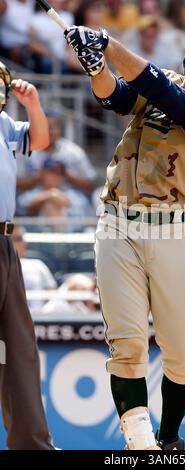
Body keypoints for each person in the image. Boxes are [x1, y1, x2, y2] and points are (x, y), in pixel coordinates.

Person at [64, 25, 185, 450]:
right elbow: (117, 97)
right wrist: (96, 66)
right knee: (126, 344)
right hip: (118, 225)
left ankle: (171, 439)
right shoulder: (169, 81)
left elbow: (166, 96)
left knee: (183, 353)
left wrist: (105, 42)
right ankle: (139, 444)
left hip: (174, 232)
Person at [0, 61, 54, 449]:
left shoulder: (3, 123)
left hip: (4, 243)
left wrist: (32, 104)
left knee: (19, 348)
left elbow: (40, 140)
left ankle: (31, 444)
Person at [12, 225, 57, 313]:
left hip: (40, 316)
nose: (22, 243)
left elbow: (52, 295)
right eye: (16, 239)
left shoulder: (37, 264)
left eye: (21, 239)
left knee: (76, 281)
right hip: (10, 316)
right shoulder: (3, 266)